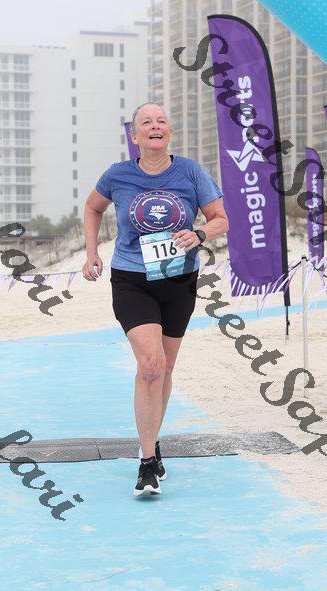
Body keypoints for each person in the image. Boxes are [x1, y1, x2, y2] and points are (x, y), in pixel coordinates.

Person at [83, 102, 228, 496]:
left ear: (170, 132)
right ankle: (147, 461)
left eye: (161, 121)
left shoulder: (190, 172)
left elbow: (220, 218)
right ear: (135, 135)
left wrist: (199, 234)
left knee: (165, 368)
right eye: (146, 122)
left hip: (179, 279)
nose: (155, 126)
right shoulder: (118, 174)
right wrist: (92, 251)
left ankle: (152, 438)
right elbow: (93, 207)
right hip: (132, 279)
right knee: (151, 365)